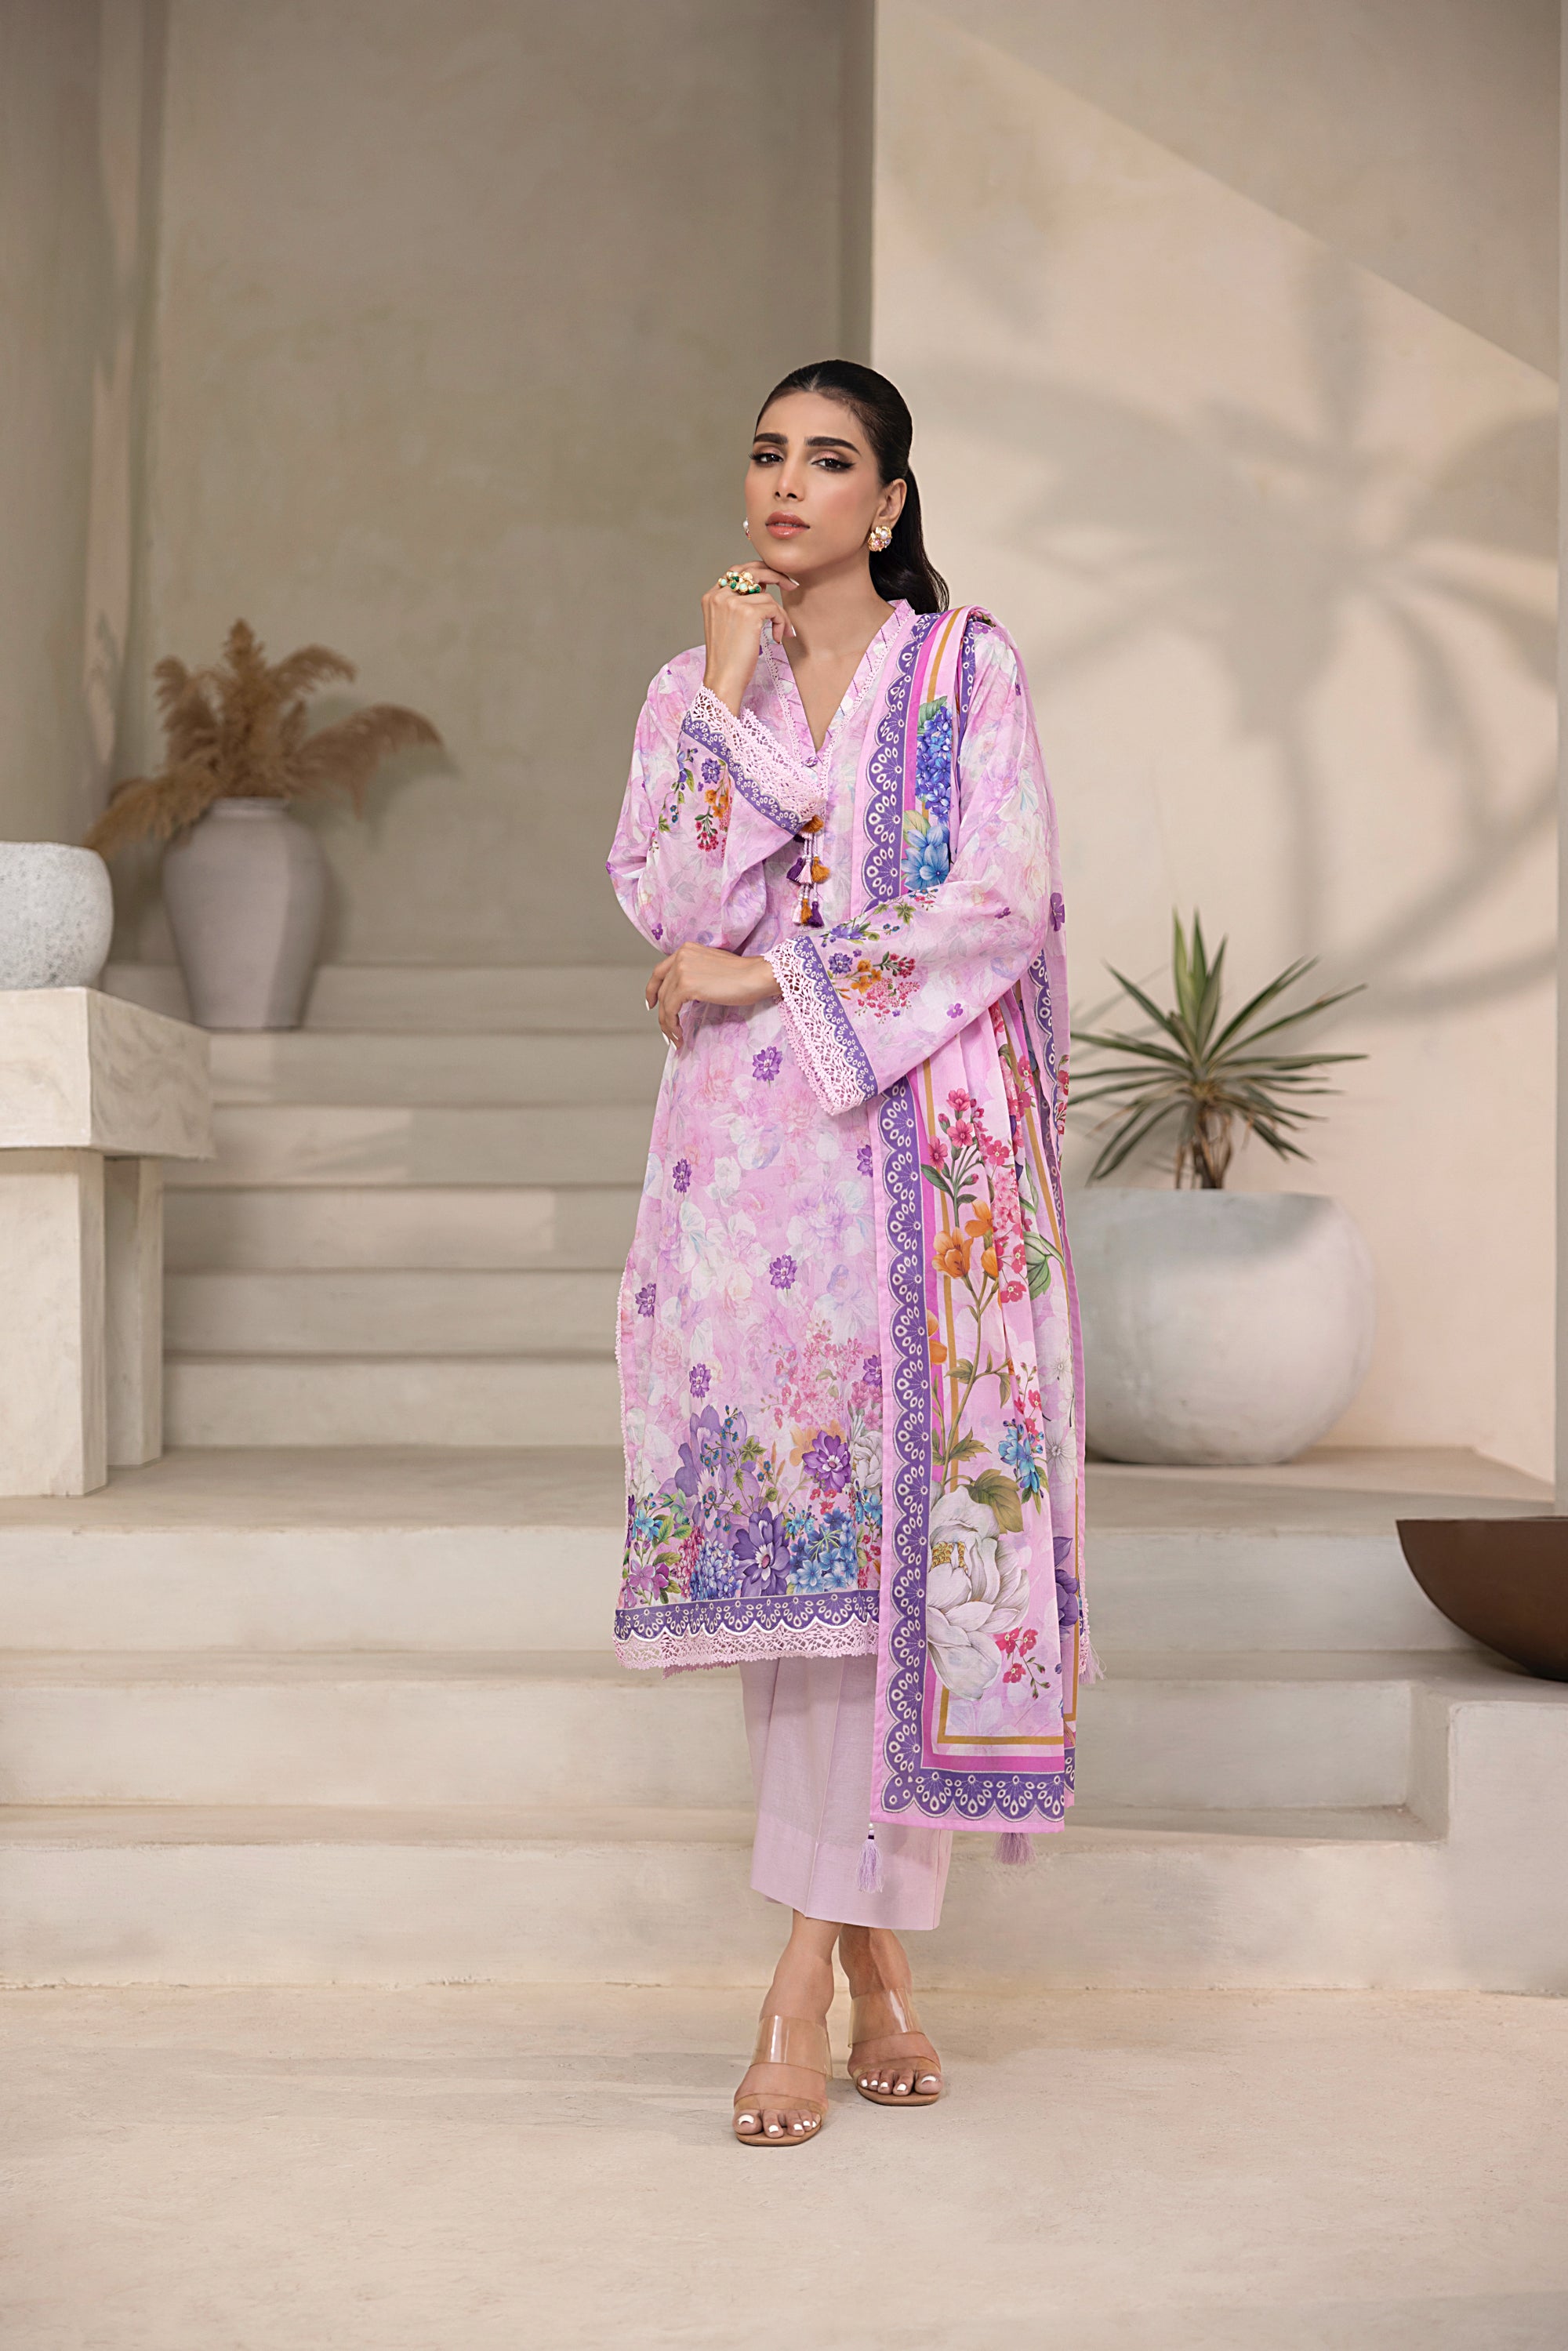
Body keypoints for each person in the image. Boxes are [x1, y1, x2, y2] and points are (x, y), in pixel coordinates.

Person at [605, 359, 1096, 2148]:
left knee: (899, 1564)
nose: (789, 483)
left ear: (887, 503)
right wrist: (725, 689)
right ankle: (882, 1962)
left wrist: (774, 974)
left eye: (830, 460)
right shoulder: (694, 687)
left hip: (916, 1168)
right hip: (744, 1188)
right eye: (767, 454)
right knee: (808, 1589)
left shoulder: (964, 670)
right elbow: (669, 909)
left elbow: (998, 901)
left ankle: (798, 1984)